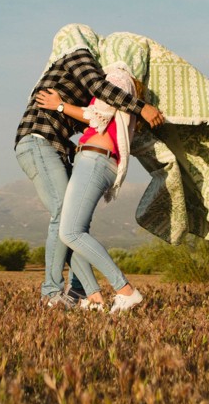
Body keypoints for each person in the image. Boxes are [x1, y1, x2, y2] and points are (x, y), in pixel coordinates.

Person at [14, 24, 164, 307]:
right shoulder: (79, 56)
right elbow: (99, 93)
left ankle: (83, 294)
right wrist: (141, 107)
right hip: (42, 142)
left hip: (64, 149)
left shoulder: (114, 77)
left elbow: (97, 108)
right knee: (68, 221)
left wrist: (62, 108)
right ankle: (70, 293)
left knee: (70, 225)